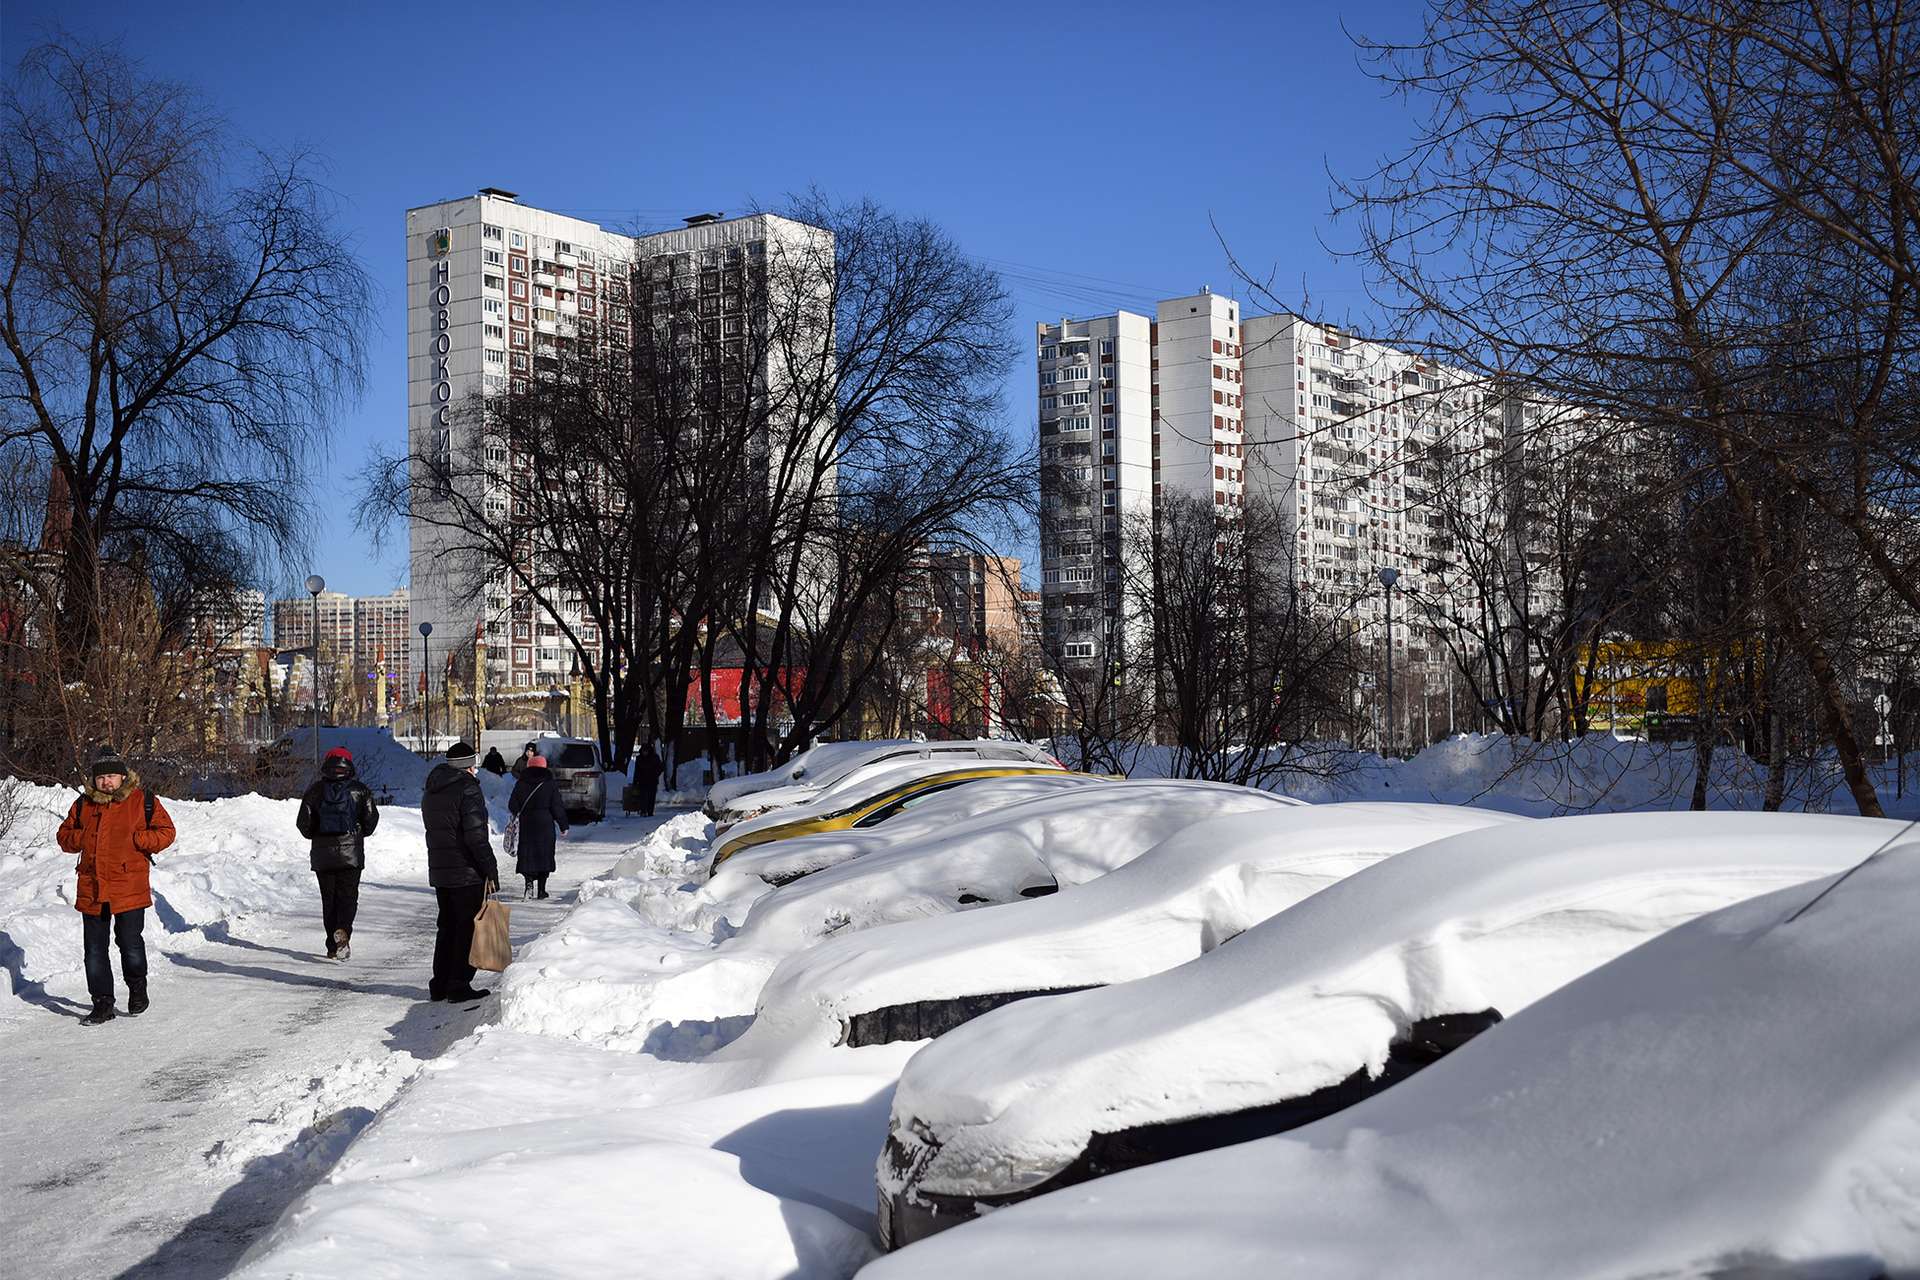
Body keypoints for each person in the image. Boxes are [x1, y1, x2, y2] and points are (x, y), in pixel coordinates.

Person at [58, 746, 176, 1025]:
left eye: (112, 776)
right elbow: (64, 836)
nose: (106, 782)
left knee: (130, 943)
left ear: (123, 777)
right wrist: (83, 838)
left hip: (129, 885)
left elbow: (166, 832)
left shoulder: (142, 801)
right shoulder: (83, 804)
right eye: (101, 778)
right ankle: (102, 1004)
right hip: (92, 886)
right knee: (94, 950)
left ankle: (137, 988)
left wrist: (138, 840)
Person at [421, 741, 498, 1003]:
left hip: (441, 871)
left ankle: (440, 984)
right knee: (467, 928)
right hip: (466, 871)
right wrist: (490, 868)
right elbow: (476, 836)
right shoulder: (468, 789)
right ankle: (458, 984)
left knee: (447, 927)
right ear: (469, 764)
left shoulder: (432, 788)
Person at [295, 746, 380, 961]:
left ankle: (332, 947)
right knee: (348, 898)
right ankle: (343, 931)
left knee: (329, 899)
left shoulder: (314, 790)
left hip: (323, 857)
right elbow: (370, 823)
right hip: (350, 855)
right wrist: (357, 832)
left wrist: (318, 833)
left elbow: (303, 825)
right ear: (348, 765)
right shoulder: (360, 790)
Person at [508, 754, 569, 899]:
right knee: (544, 855)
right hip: (545, 825)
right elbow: (557, 807)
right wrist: (563, 825)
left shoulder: (521, 784)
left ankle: (528, 885)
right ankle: (542, 890)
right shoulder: (549, 784)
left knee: (527, 854)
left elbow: (513, 806)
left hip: (527, 825)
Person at [632, 743, 665, 818]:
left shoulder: (654, 758)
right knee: (643, 796)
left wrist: (655, 775)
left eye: (646, 751)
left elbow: (660, 767)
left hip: (652, 781)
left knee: (651, 797)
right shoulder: (639, 758)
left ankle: (650, 811)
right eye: (643, 751)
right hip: (642, 780)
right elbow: (636, 770)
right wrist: (635, 781)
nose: (645, 753)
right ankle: (643, 811)